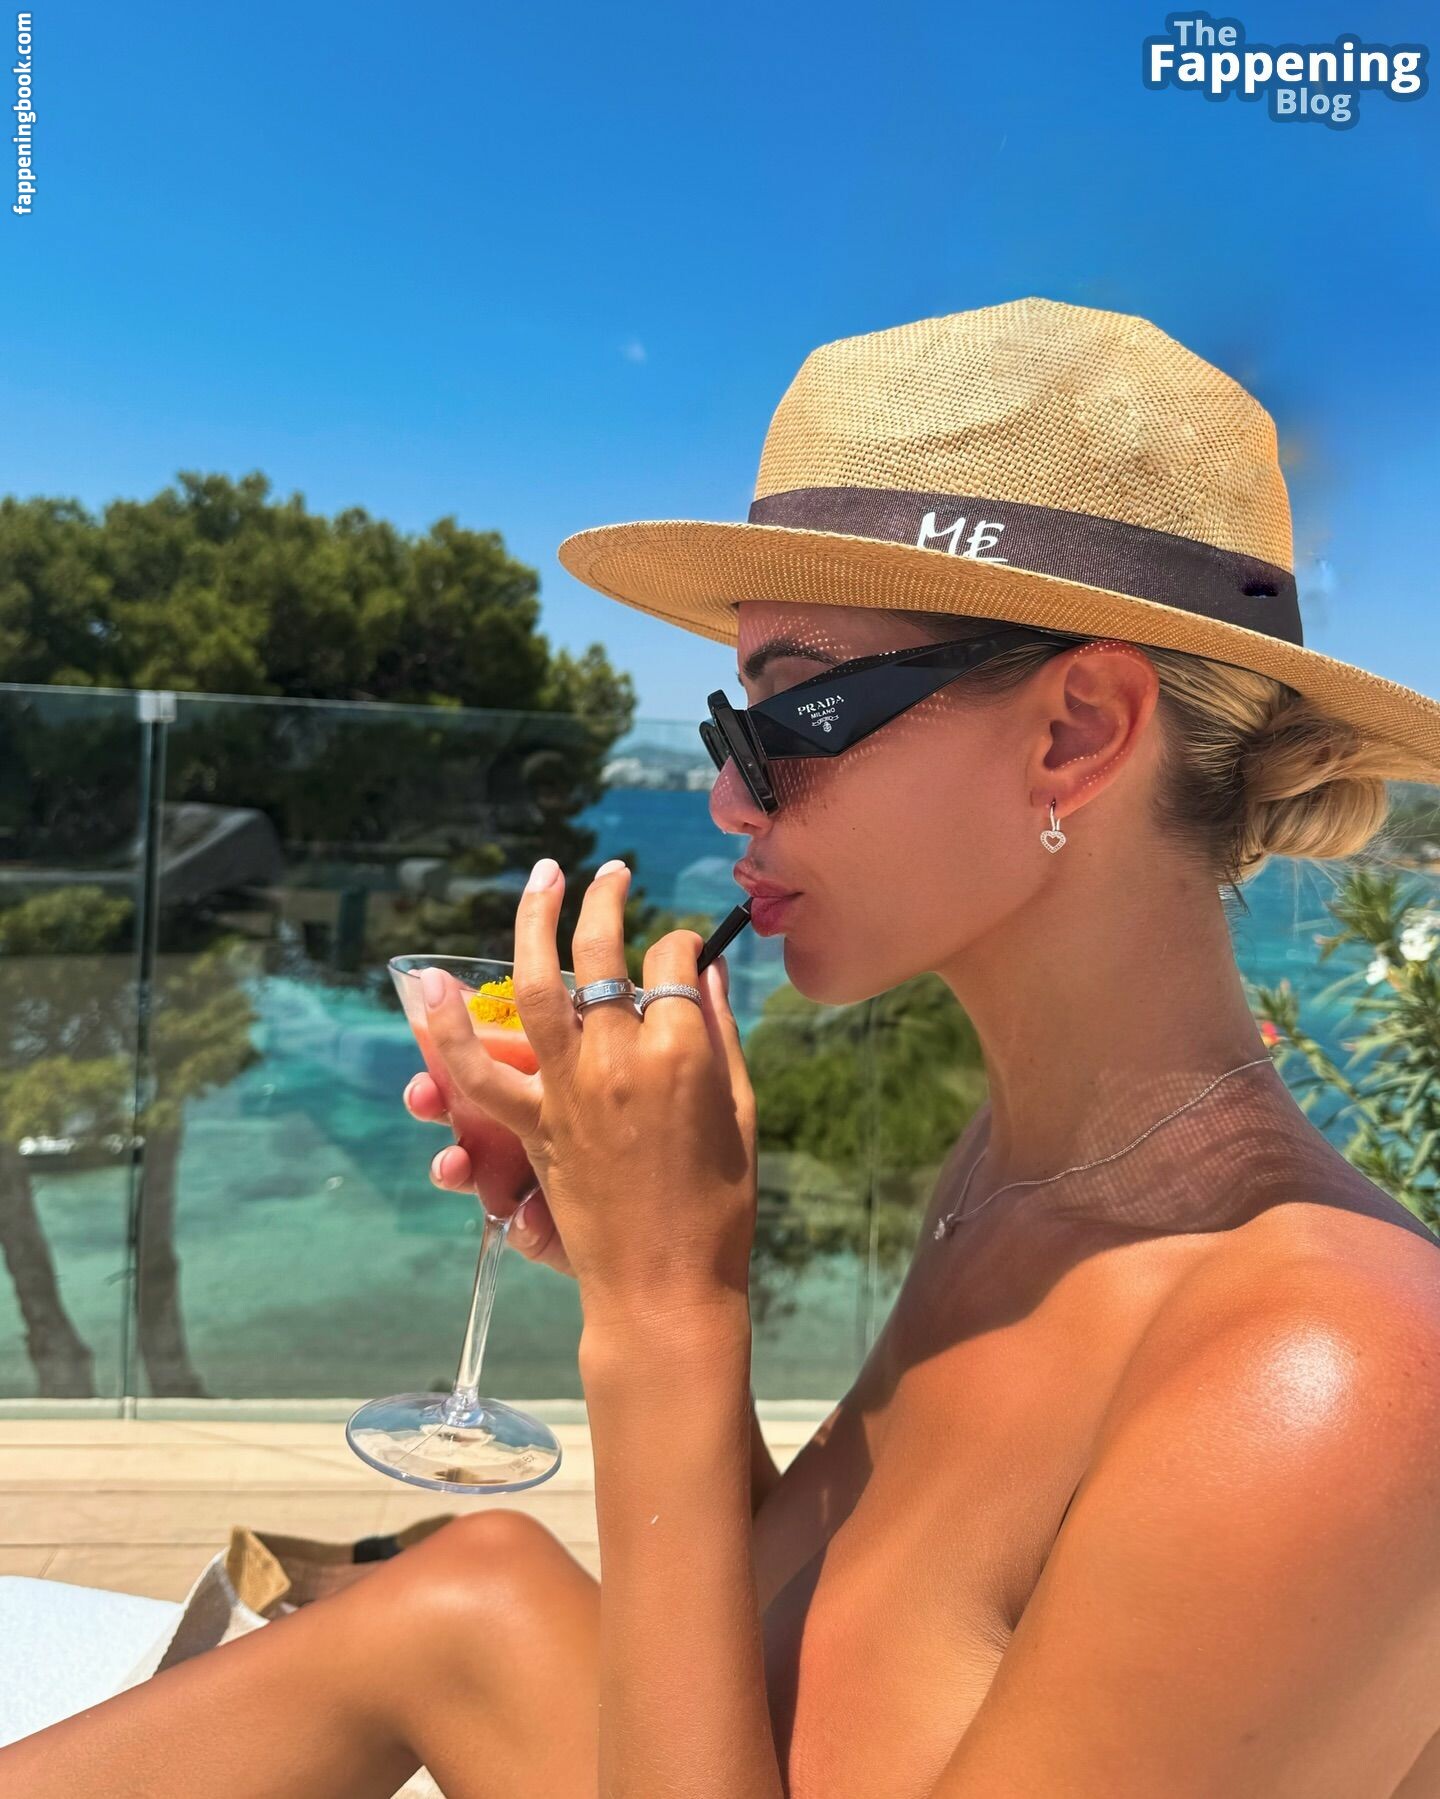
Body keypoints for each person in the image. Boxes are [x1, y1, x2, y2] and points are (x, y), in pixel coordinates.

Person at [6, 296, 1440, 1797]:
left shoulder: (1329, 1384)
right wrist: (656, 1249)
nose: (728, 798)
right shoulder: (1020, 1171)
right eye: (723, 726)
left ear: (1075, 730)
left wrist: (664, 1316)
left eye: (789, 715)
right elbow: (808, 1654)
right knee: (470, 1585)